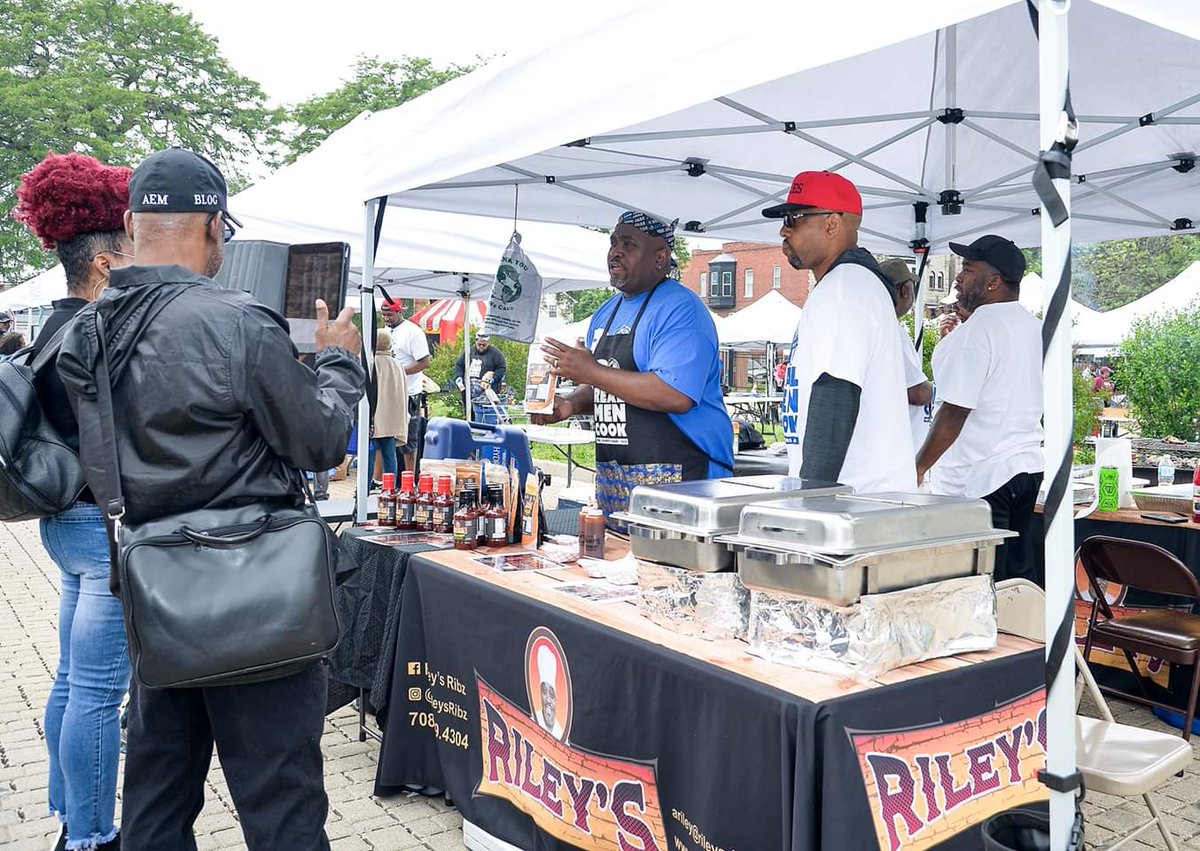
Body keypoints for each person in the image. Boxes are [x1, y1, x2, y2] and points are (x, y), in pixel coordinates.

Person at [56, 147, 365, 850]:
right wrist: (340, 360)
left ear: (132, 224)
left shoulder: (88, 332)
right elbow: (319, 443)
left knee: (156, 805)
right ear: (216, 227)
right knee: (280, 805)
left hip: (158, 596)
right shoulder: (237, 321)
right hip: (258, 598)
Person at [13, 151, 135, 851]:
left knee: (70, 678)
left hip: (67, 525)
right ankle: (90, 836)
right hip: (102, 527)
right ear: (103, 262)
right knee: (97, 691)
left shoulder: (52, 328)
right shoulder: (97, 334)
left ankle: (67, 808)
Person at [535, 211, 733, 525]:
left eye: (629, 244)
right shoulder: (607, 312)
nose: (616, 251)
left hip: (684, 483)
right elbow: (611, 380)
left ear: (660, 258)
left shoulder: (681, 309)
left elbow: (675, 394)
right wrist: (570, 404)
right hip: (617, 485)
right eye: (613, 243)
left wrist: (589, 371)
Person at [762, 171, 915, 491]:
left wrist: (811, 500)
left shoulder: (845, 289)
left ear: (832, 224)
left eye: (794, 219)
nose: (783, 230)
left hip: (856, 505)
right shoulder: (846, 285)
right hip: (856, 504)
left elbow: (835, 394)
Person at [915, 235, 1043, 583]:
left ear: (993, 281)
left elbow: (955, 411)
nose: (957, 278)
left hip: (981, 478)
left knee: (978, 587)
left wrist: (919, 466)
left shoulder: (980, 329)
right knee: (1015, 584)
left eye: (967, 270)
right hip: (1024, 468)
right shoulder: (1035, 327)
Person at [880, 259, 934, 454]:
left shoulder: (875, 325)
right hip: (901, 452)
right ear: (904, 290)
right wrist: (940, 390)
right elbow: (917, 393)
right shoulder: (891, 330)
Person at [380, 298, 431, 473]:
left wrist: (399, 374)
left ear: (400, 312)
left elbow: (424, 362)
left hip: (409, 393)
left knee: (409, 440)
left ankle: (410, 479)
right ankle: (381, 480)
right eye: (384, 315)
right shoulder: (383, 332)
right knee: (383, 436)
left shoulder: (413, 332)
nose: (386, 318)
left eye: (390, 315)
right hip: (387, 394)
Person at [368, 327, 409, 484]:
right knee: (389, 454)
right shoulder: (396, 365)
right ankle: (390, 488)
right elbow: (403, 392)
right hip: (391, 419)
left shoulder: (370, 364)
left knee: (369, 454)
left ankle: (363, 489)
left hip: (372, 418)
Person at [455, 333, 507, 422]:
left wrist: (494, 378)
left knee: (485, 412)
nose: (481, 347)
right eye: (479, 344)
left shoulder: (495, 353)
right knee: (469, 409)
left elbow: (501, 368)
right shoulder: (469, 351)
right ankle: (471, 424)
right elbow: (459, 365)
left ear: (488, 343)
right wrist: (459, 376)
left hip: (486, 389)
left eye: (484, 345)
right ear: (476, 342)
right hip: (469, 388)